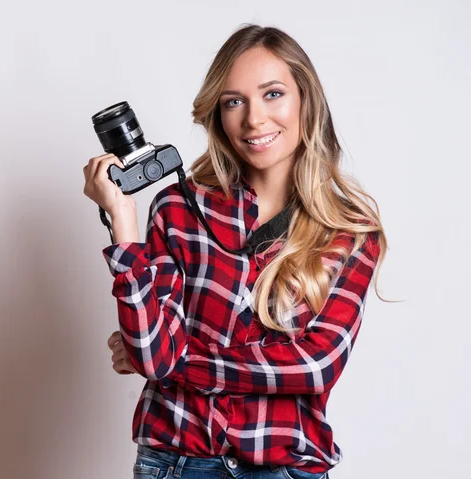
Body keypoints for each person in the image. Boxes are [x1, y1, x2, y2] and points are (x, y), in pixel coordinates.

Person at [83, 23, 387, 479]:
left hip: (285, 468)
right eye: (234, 101)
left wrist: (178, 359)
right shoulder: (178, 211)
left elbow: (314, 365)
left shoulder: (349, 233)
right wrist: (123, 228)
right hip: (176, 462)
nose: (254, 119)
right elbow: (149, 353)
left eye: (272, 94)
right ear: (218, 115)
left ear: (306, 100)